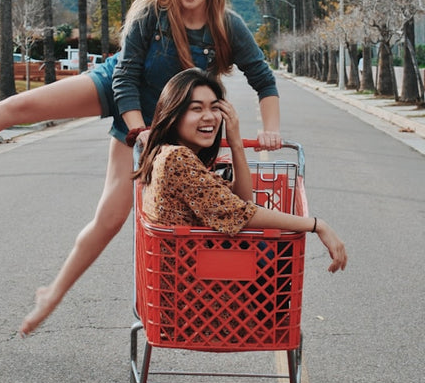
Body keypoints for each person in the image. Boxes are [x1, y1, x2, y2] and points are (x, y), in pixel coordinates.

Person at [0, 0, 283, 331]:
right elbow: (125, 77)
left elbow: (263, 80)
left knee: (110, 218)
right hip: (120, 91)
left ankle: (52, 293)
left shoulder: (227, 25)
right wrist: (137, 131)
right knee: (18, 108)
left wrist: (271, 130)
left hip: (159, 119)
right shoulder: (152, 12)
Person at [135, 69, 347, 271]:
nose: (209, 117)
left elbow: (242, 202)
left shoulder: (170, 154)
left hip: (190, 272)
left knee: (266, 248)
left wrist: (236, 142)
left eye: (215, 108)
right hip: (191, 284)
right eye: (197, 109)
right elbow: (240, 213)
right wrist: (316, 225)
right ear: (174, 114)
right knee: (276, 250)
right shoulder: (176, 158)